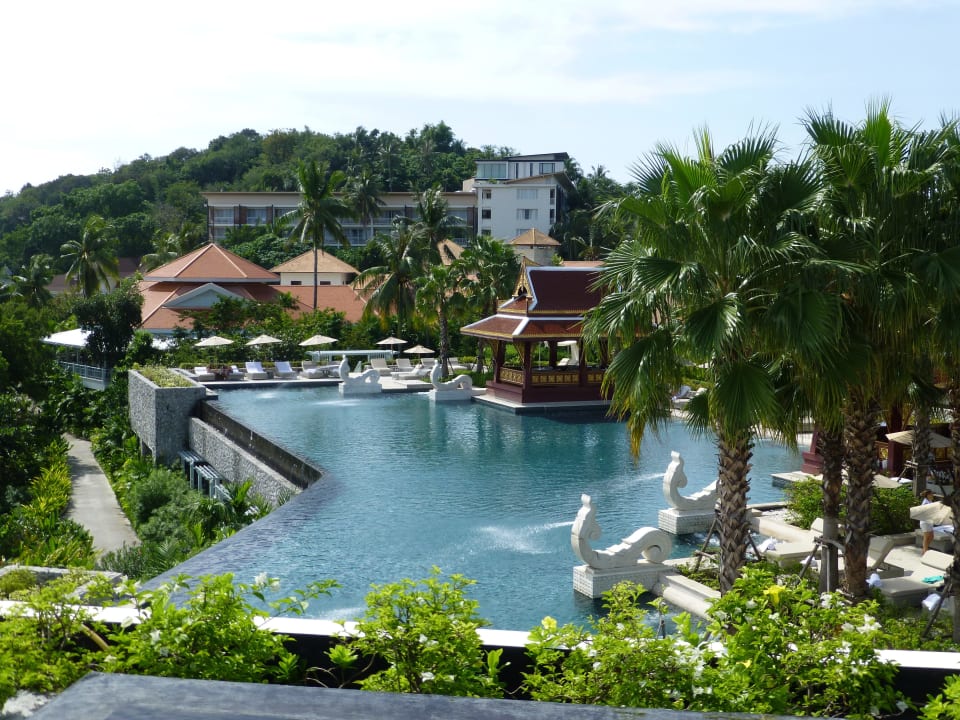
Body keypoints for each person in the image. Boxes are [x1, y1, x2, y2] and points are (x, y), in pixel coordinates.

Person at [919, 489, 936, 554]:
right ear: (928, 495)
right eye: (931, 494)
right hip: (925, 522)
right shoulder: (925, 502)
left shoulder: (930, 501)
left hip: (929, 522)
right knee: (926, 537)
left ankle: (924, 549)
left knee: (931, 536)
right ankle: (925, 551)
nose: (932, 495)